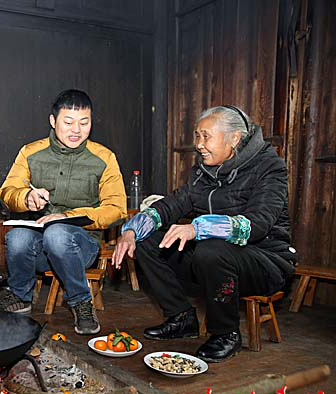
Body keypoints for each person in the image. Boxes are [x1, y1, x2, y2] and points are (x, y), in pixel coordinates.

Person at [112, 105, 296, 362]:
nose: (199, 144)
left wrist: (197, 228)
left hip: (265, 262)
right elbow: (172, 204)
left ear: (234, 138)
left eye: (206, 136)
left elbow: (256, 225)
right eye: (197, 136)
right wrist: (132, 230)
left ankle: (225, 334)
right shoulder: (203, 172)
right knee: (148, 240)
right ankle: (181, 317)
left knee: (211, 249)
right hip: (214, 262)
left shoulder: (269, 168)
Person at [0, 89, 127, 335]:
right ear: (53, 121)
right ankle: (20, 297)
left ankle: (81, 302)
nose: (76, 130)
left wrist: (67, 217)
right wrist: (26, 198)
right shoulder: (30, 152)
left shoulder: (104, 158)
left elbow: (116, 209)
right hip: (40, 248)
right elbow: (6, 191)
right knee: (17, 237)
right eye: (68, 122)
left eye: (84, 123)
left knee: (56, 233)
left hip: (81, 246)